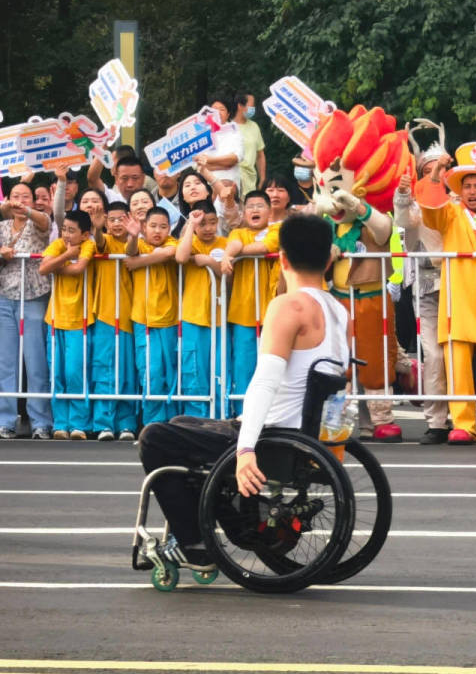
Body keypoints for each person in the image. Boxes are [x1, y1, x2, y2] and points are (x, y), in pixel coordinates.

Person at [138, 214, 347, 567]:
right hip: (312, 433)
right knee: (183, 422)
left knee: (156, 437)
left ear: (281, 258)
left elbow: (265, 381)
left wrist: (245, 448)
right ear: (328, 260)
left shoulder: (288, 306)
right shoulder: (338, 309)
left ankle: (194, 544)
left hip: (277, 434)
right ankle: (220, 518)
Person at [417, 144, 476, 444]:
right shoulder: (452, 213)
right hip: (459, 300)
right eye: (467, 186)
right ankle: (464, 423)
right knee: (457, 360)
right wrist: (436, 171)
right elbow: (429, 206)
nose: (472, 192)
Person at [393, 146, 451, 444]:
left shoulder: (457, 203)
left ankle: (469, 414)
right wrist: (403, 195)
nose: (433, 177)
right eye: (427, 172)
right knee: (434, 354)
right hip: (427, 288)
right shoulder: (414, 207)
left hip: (461, 286)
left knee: (463, 354)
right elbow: (403, 220)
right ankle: (436, 421)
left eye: (438, 171)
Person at [0, 182, 53, 439]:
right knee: (5, 363)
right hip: (5, 296)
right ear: (7, 200)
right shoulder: (0, 227)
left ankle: (41, 422)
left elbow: (44, 223)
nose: (19, 201)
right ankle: (4, 422)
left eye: (25, 197)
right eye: (15, 197)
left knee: (36, 362)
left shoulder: (40, 222)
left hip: (35, 297)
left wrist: (27, 210)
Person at [39, 209, 97, 440]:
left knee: (75, 371)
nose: (66, 235)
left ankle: (79, 423)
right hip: (55, 318)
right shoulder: (58, 245)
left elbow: (78, 269)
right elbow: (43, 268)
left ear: (84, 234)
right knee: (58, 372)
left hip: (80, 319)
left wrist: (59, 263)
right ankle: (60, 423)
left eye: (72, 231)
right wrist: (64, 255)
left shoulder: (89, 245)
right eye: (64, 229)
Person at [221, 190, 281, 410]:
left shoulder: (277, 229)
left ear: (269, 210)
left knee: (271, 364)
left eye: (260, 205)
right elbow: (234, 244)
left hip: (272, 309)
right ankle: (242, 410)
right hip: (243, 309)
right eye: (250, 206)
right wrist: (229, 253)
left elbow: (267, 246)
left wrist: (234, 256)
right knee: (243, 364)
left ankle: (271, 411)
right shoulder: (238, 233)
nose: (255, 210)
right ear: (244, 212)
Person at [125, 207, 180, 425]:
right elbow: (129, 253)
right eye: (153, 226)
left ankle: (173, 423)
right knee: (150, 371)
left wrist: (140, 263)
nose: (158, 231)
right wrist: (132, 235)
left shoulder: (172, 243)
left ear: (170, 229)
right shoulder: (139, 243)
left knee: (171, 371)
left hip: (169, 318)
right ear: (144, 227)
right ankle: (153, 424)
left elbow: (169, 253)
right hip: (143, 318)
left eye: (163, 226)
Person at [90, 200, 138, 441]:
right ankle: (104, 423)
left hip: (131, 316)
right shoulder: (105, 241)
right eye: (112, 219)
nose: (117, 224)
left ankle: (126, 423)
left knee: (128, 371)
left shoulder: (137, 242)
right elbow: (99, 243)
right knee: (105, 368)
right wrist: (97, 228)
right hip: (107, 315)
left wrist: (133, 235)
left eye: (122, 218)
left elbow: (131, 252)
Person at [175, 200, 227, 417]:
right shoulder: (192, 242)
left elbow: (228, 273)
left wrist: (207, 261)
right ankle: (196, 416)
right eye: (202, 224)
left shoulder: (225, 242)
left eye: (212, 222)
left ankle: (219, 415)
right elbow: (180, 257)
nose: (207, 228)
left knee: (219, 368)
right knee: (194, 367)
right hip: (193, 315)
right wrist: (190, 225)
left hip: (219, 316)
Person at [194, 95, 243, 196]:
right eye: (214, 109)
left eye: (222, 109)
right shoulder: (200, 133)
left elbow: (235, 158)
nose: (218, 112)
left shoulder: (234, 132)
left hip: (229, 187)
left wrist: (209, 161)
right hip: (205, 189)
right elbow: (196, 164)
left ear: (228, 114)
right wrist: (224, 164)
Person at [233, 92, 266, 194]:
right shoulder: (228, 127)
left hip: (250, 180)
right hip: (232, 176)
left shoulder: (254, 126)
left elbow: (260, 155)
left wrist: (262, 179)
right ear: (240, 106)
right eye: (251, 106)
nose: (253, 109)